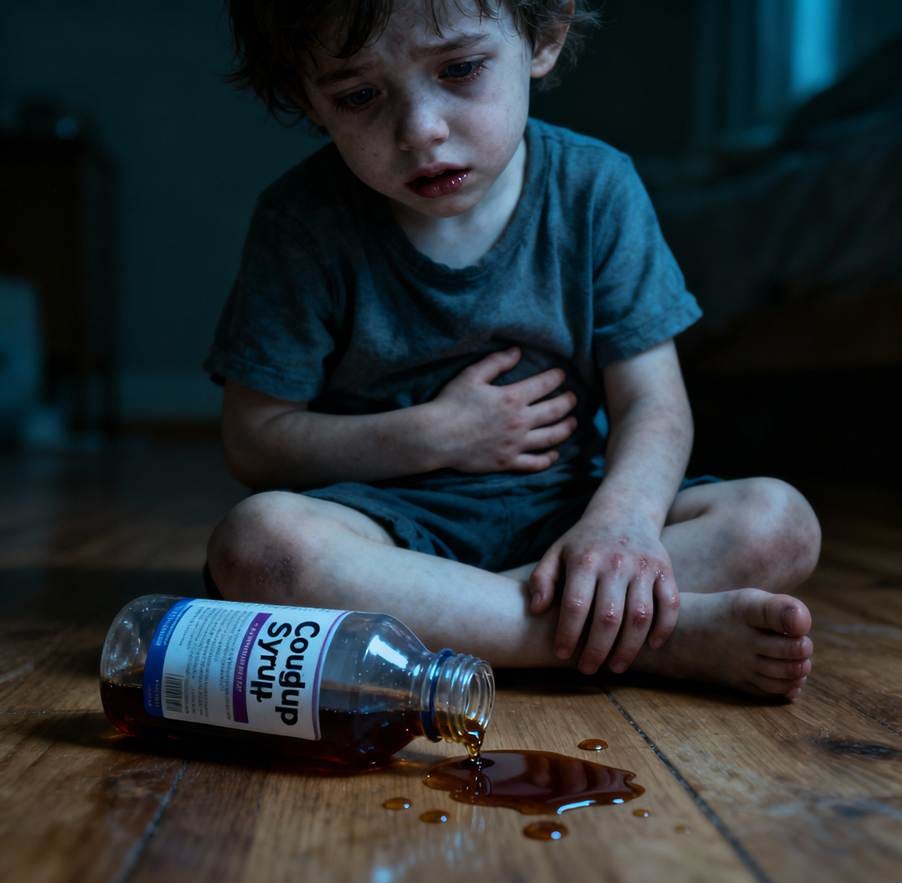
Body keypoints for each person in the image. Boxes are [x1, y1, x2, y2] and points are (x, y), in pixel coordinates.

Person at [203, 0, 822, 699]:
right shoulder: (301, 221)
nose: (421, 131)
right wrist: (427, 438)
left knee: (779, 522)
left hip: (571, 516)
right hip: (388, 529)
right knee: (260, 549)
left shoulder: (596, 187)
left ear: (544, 39)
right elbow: (254, 442)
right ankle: (642, 638)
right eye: (360, 96)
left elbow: (653, 401)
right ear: (304, 97)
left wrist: (622, 525)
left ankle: (480, 627)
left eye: (461, 69)